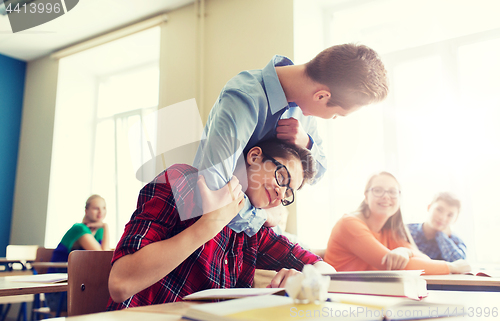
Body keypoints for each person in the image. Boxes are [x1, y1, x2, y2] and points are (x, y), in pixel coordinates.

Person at [107, 139, 335, 309]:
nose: (280, 192)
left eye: (288, 193)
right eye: (282, 178)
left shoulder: (253, 229)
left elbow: (326, 268)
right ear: (255, 156)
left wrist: (306, 277)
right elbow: (121, 283)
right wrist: (212, 222)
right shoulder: (182, 181)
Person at [193, 43, 389, 237]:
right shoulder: (244, 98)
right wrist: (263, 216)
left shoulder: (304, 111)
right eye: (337, 114)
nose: (333, 118)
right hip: (209, 230)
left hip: (252, 234)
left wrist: (306, 143)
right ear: (322, 96)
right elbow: (212, 189)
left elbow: (318, 173)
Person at [324, 172, 470, 275]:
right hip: (339, 299)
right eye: (378, 190)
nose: (386, 196)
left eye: (393, 192)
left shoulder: (388, 229)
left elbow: (423, 258)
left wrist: (406, 251)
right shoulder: (350, 224)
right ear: (366, 196)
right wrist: (451, 266)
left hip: (366, 295)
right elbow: (391, 264)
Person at [46, 194, 110, 311]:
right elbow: (103, 256)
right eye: (96, 208)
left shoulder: (98, 231)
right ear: (86, 210)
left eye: (104, 208)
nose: (101, 212)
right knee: (106, 301)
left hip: (77, 289)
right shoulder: (79, 229)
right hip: (58, 294)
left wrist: (103, 228)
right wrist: (106, 227)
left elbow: (104, 259)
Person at [407, 192, 466, 262]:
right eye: (439, 210)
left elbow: (460, 263)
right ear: (429, 207)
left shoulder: (456, 241)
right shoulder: (407, 230)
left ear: (455, 219)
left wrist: (441, 236)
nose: (442, 218)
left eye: (450, 215)